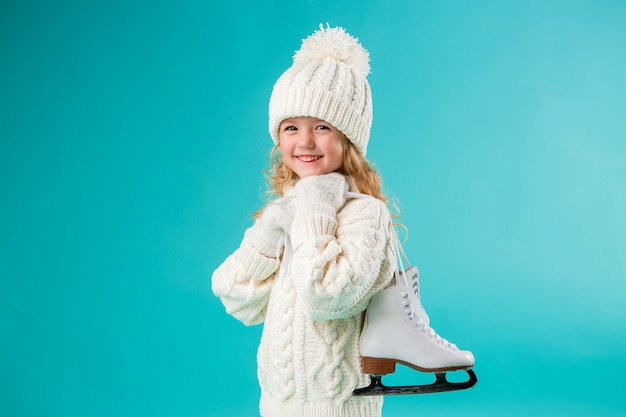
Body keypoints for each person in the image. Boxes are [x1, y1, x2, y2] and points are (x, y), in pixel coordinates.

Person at [212, 24, 395, 417]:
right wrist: (269, 228)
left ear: (349, 140)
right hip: (278, 406)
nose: (305, 141)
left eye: (322, 127)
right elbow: (236, 297)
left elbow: (326, 296)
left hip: (341, 407)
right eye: (291, 127)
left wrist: (316, 208)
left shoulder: (366, 214)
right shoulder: (287, 209)